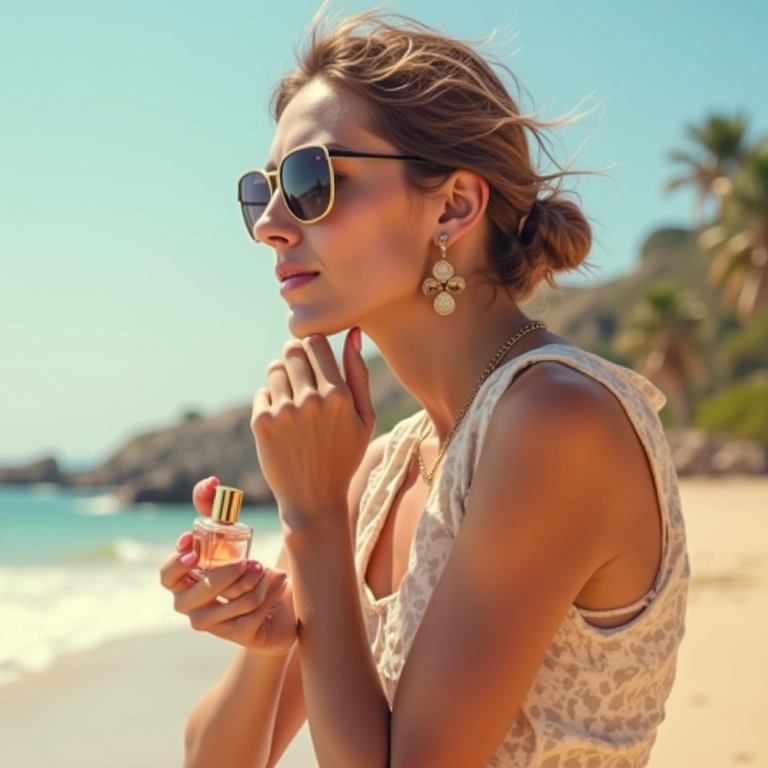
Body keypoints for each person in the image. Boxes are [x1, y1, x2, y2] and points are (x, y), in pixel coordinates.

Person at [159, 9, 689, 768]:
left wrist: (309, 517)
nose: (271, 224)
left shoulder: (558, 420)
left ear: (454, 205)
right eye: (262, 190)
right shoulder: (380, 470)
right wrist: (272, 642)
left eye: (312, 181)